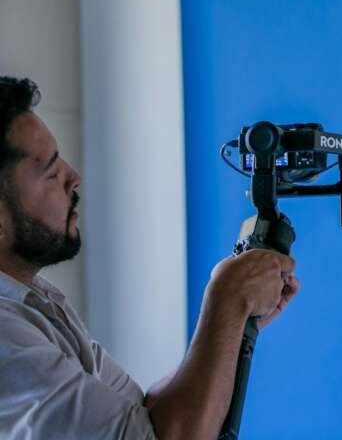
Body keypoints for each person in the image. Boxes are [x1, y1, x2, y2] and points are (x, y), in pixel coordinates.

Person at [0, 77, 300, 439]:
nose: (73, 178)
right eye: (50, 172)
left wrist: (232, 328)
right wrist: (226, 299)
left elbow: (146, 412)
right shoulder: (7, 339)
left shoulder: (37, 301)